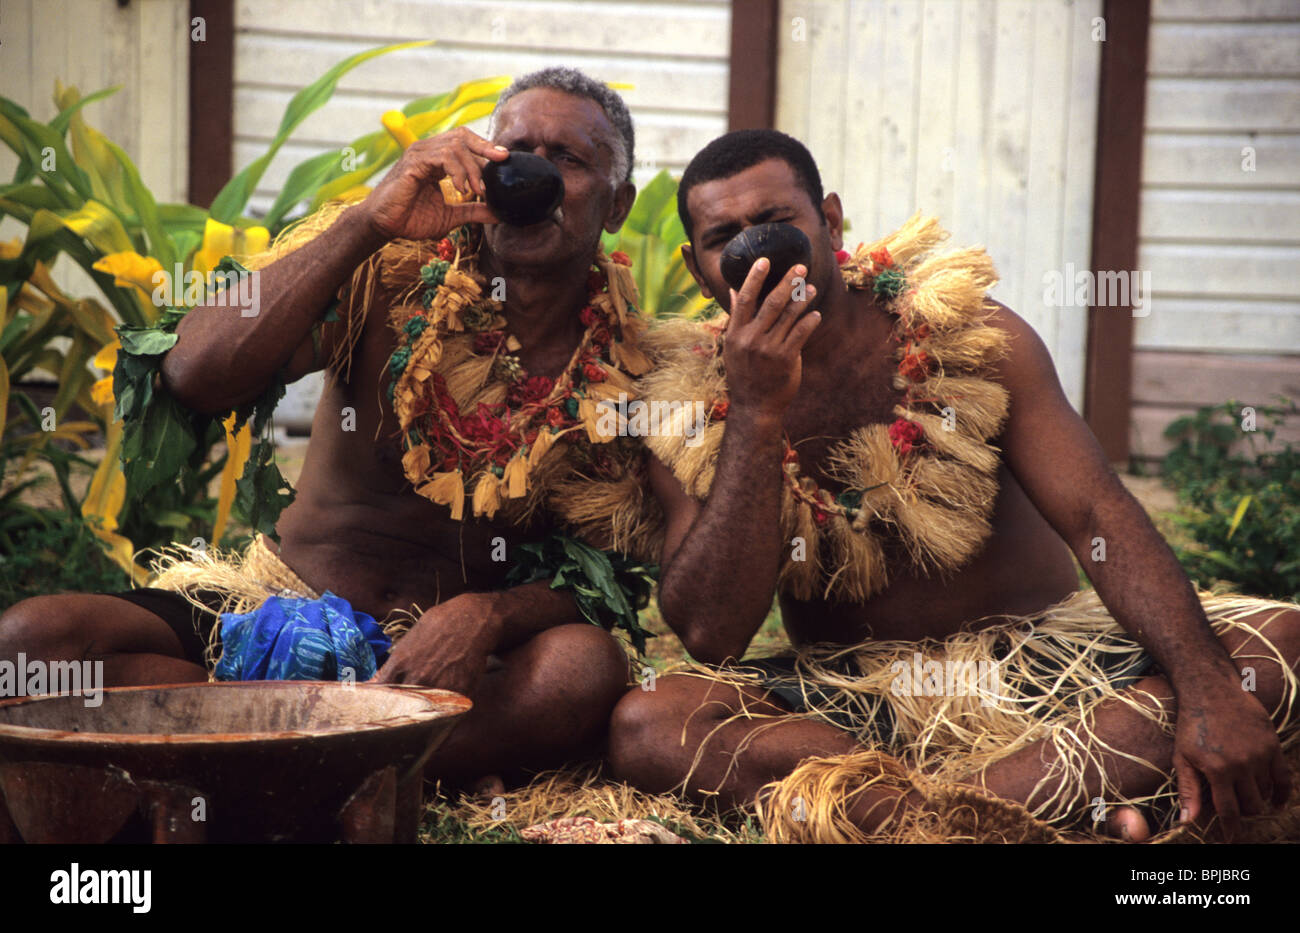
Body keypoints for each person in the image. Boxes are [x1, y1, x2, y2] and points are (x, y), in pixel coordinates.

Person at [608, 129, 1300, 842]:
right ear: (699, 271)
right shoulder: (690, 403)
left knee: (1278, 646)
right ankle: (1029, 814)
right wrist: (755, 410)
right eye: (727, 236)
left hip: (1047, 678)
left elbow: (1099, 515)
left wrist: (1207, 686)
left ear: (830, 220)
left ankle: (928, 818)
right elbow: (709, 634)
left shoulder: (970, 334)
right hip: (852, 709)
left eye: (777, 223)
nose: (757, 249)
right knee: (651, 723)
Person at [0, 67, 662, 790]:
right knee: (31, 644)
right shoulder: (385, 271)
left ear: (619, 202)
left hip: (444, 678)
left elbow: (606, 580)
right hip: (265, 616)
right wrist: (364, 223)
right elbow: (192, 372)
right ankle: (339, 766)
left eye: (568, 158)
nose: (532, 173)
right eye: (515, 150)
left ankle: (253, 754)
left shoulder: (632, 368)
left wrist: (491, 614)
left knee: (583, 667)